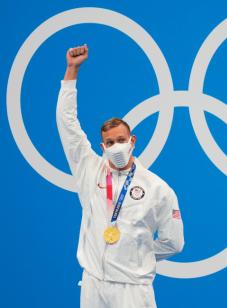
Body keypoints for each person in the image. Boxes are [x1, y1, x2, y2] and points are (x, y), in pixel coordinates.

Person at [57, 44, 184, 308]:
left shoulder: (158, 189)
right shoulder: (89, 170)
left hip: (133, 288)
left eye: (121, 140)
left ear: (133, 141)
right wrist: (71, 71)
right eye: (110, 143)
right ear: (102, 147)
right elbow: (67, 124)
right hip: (93, 283)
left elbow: (174, 243)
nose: (116, 147)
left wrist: (138, 252)